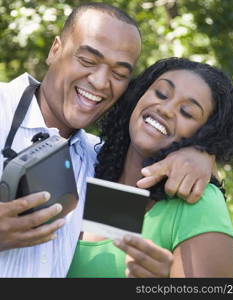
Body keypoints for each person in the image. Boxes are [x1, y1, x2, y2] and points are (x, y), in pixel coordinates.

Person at [0, 3, 215, 277]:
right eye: (88, 61)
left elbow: (107, 264)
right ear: (55, 50)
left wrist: (202, 153)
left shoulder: (101, 165)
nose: (101, 82)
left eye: (119, 74)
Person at [67, 57, 233, 278]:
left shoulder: (198, 203)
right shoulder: (95, 167)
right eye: (161, 94)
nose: (166, 109)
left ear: (205, 135)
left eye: (187, 112)